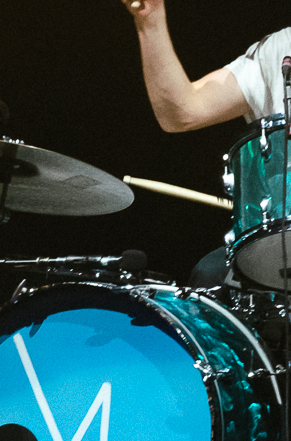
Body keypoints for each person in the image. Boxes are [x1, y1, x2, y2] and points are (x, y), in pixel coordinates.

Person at [122, 0, 291, 287]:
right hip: (280, 244)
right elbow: (182, 112)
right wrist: (150, 20)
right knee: (210, 275)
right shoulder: (280, 49)